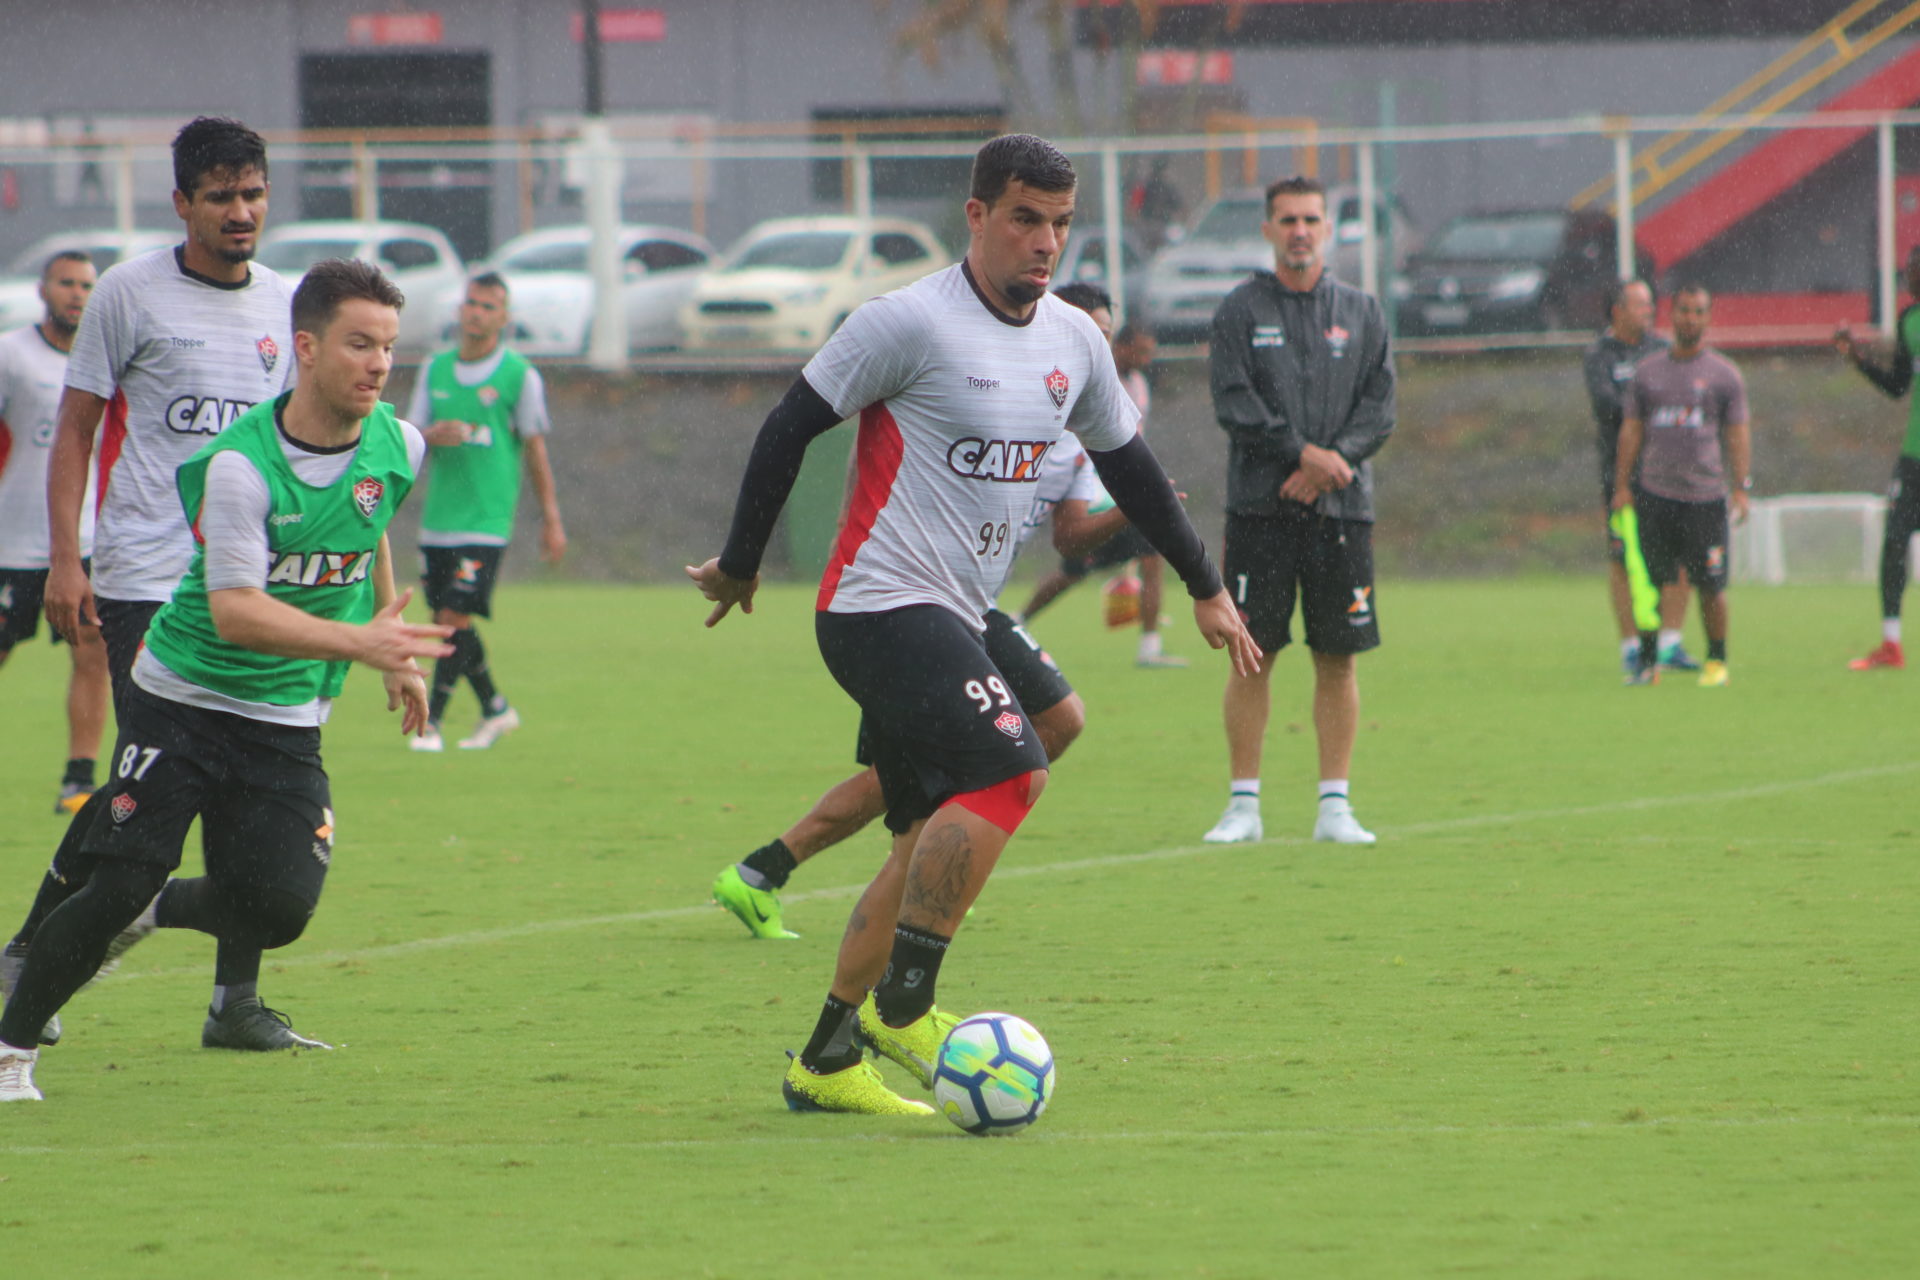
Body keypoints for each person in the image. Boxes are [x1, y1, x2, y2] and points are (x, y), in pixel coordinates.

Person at [688, 134, 1258, 1115]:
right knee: (1013, 764)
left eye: (1061, 223)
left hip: (956, 609)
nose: (1045, 241)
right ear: (979, 216)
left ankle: (823, 1060)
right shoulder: (906, 323)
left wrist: (1205, 583)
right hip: (876, 603)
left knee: (917, 843)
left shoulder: (1074, 339)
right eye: (1027, 218)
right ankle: (907, 1006)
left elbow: (1131, 467)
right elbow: (789, 424)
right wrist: (741, 563)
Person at [0, 259, 452, 1103]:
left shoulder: (401, 442)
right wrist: (361, 642)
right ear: (306, 349)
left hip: (286, 712)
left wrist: (397, 644)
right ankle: (10, 1048)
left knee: (279, 905)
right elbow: (239, 611)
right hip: (187, 700)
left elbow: (371, 520)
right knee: (119, 879)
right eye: (360, 344)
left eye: (389, 347)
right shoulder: (242, 465)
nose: (379, 365)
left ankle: (156, 910)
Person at [711, 279, 1149, 940]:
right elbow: (867, 457)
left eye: (1102, 338)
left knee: (1036, 729)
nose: (1083, 349)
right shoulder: (977, 384)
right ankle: (831, 890)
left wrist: (1133, 513)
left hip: (968, 609)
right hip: (901, 604)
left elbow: (1070, 538)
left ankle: (777, 874)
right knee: (923, 779)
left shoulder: (1081, 434)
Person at [3, 117, 307, 1053]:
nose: (240, 211)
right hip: (145, 580)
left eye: (252, 193)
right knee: (154, 789)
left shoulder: (291, 307)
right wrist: (66, 558)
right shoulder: (128, 294)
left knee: (247, 792)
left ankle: (235, 1001)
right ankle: (32, 959)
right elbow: (76, 433)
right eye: (220, 196)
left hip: (251, 585)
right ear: (183, 203)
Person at [1202, 175, 1395, 848]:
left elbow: (1380, 408)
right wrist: (1301, 455)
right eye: (1287, 220)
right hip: (1260, 510)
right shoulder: (1238, 311)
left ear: (1328, 227)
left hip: (1342, 512)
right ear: (1267, 229)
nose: (1300, 231)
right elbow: (1234, 405)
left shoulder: (1363, 312)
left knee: (1338, 657)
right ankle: (1243, 806)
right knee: (1253, 656)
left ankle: (1334, 806)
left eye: (1311, 218)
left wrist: (1330, 461)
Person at [404, 271, 565, 752]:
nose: (477, 312)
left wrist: (551, 519)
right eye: (471, 303)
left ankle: (431, 723)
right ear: (460, 310)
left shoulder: (519, 375)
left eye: (489, 306)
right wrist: (432, 436)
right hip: (439, 521)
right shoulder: (434, 370)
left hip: (486, 522)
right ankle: (496, 709)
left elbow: (535, 450)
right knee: (449, 622)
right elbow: (409, 438)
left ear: (504, 317)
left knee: (452, 617)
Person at [0, 250, 109, 815]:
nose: (77, 293)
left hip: (85, 538)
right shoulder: (10, 353)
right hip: (12, 540)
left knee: (93, 649)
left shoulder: (104, 360)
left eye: (87, 285)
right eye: (66, 282)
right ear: (43, 289)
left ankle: (79, 779)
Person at [1016, 313, 1187, 668]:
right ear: (1120, 346)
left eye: (1149, 354)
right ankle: (1016, 621)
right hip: (1090, 494)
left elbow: (1134, 441)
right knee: (1074, 569)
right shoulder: (1096, 379)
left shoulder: (1138, 384)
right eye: (1140, 352)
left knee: (1149, 555)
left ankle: (1149, 646)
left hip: (1119, 492)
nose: (1145, 360)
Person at [1612, 284, 1750, 688]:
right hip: (1655, 495)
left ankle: (1717, 660)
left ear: (1708, 318)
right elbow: (1632, 431)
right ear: (1671, 316)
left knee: (1710, 585)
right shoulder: (1648, 372)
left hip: (1704, 498)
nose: (1691, 318)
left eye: (1699, 312)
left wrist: (1741, 486)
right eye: (1684, 311)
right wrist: (1622, 485)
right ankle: (1649, 664)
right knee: (1653, 586)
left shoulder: (1724, 376)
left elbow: (1737, 434)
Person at [1584, 278, 1698, 681]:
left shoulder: (1661, 349)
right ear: (1618, 310)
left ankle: (1669, 641)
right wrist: (1652, 411)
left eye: (1651, 304)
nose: (1650, 311)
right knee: (1625, 560)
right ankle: (1632, 647)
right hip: (1623, 475)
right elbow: (1608, 408)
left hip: (1669, 472)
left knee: (1679, 556)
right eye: (1640, 304)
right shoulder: (1600, 355)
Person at [1833, 245, 1920, 670]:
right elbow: (1898, 386)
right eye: (1908, 271)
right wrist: (1858, 359)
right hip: (1914, 458)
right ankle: (1891, 644)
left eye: (1914, 270)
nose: (1909, 279)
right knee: (1894, 544)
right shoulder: (1909, 321)